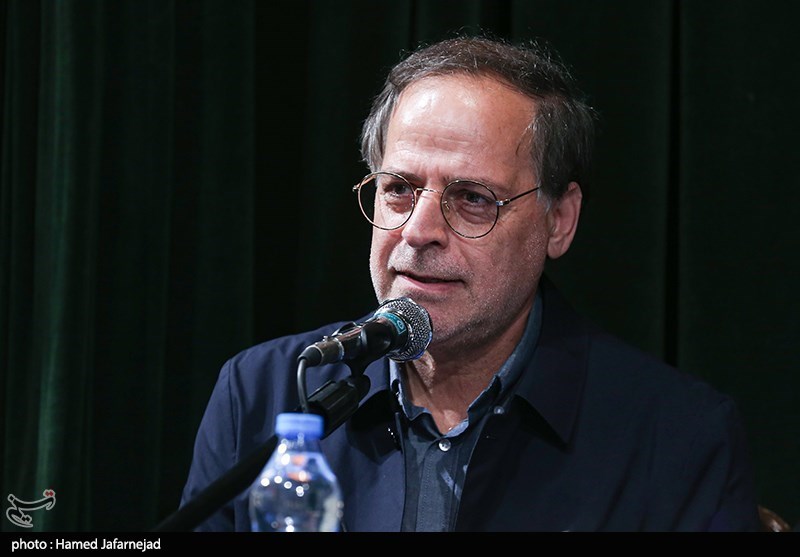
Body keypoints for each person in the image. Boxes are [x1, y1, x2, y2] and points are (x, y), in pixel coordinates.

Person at [179, 35, 761, 532]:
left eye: (473, 199)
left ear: (559, 221)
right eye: (398, 188)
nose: (418, 231)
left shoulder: (678, 435)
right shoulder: (262, 392)